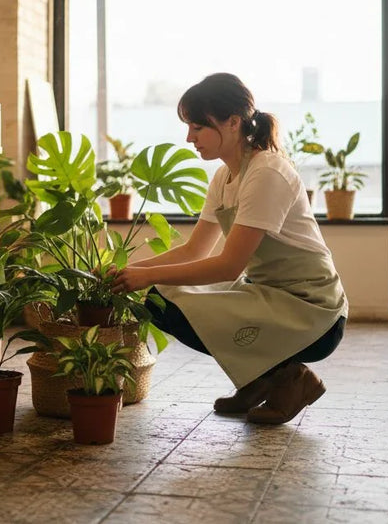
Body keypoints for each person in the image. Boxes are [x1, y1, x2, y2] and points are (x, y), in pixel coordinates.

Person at [111, 72, 348, 424]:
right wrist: (132, 271)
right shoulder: (225, 177)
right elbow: (194, 250)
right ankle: (259, 380)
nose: (189, 138)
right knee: (159, 298)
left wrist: (144, 277)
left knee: (165, 300)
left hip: (313, 312)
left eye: (197, 127)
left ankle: (291, 378)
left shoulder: (267, 172)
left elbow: (228, 266)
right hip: (268, 296)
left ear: (233, 122)